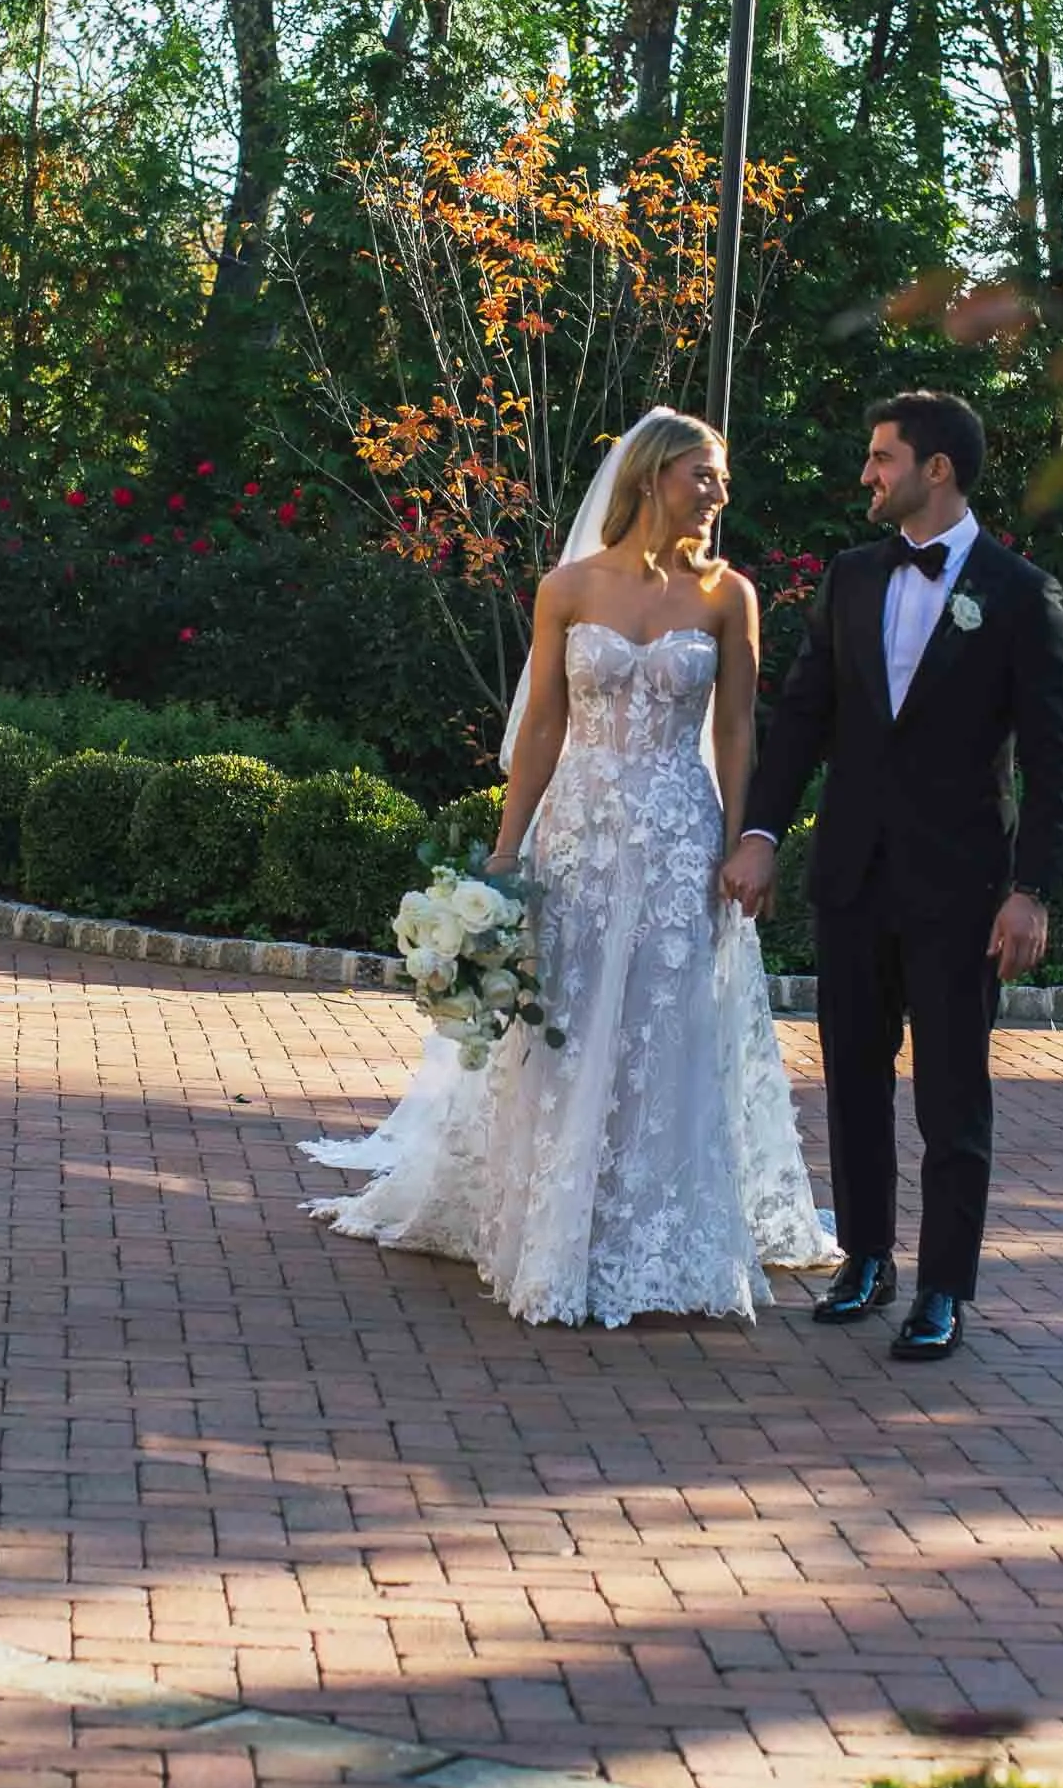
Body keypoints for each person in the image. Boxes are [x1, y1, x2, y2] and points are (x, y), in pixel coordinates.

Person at [302, 408, 837, 1326]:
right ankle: (557, 1222)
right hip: (579, 836)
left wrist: (744, 842)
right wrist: (506, 857)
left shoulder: (728, 596)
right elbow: (544, 721)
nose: (717, 493)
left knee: (665, 1029)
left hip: (678, 838)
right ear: (651, 478)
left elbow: (740, 726)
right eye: (702, 475)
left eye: (721, 479)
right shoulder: (568, 588)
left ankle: (658, 1233)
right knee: (572, 1024)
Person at [721, 391, 1063, 1364]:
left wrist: (1030, 889)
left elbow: (1053, 760)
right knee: (849, 1079)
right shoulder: (846, 579)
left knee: (952, 1094)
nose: (866, 475)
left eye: (881, 458)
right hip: (851, 872)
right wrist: (759, 828)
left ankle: (944, 1291)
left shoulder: (1016, 593)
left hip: (961, 888)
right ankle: (867, 1260)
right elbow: (799, 721)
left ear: (936, 470)